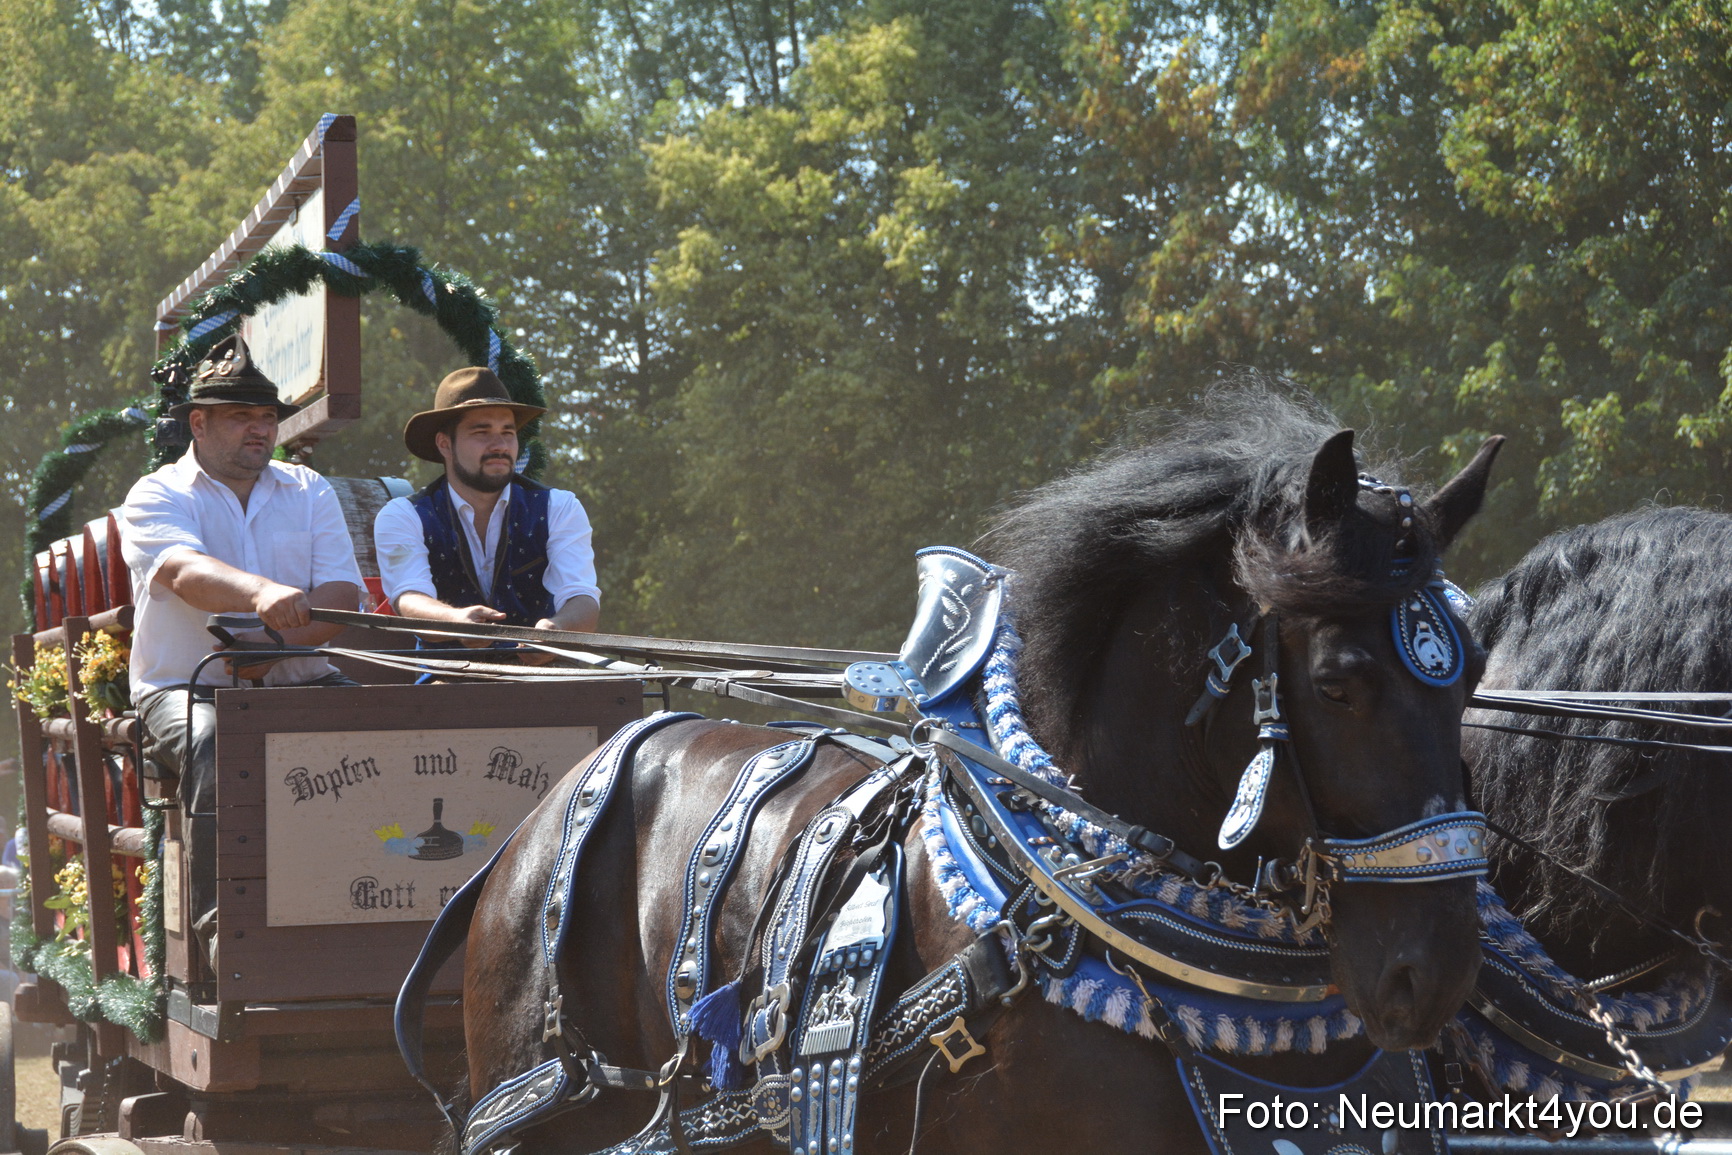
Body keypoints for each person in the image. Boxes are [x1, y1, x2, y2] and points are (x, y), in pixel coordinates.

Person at [120, 334, 365, 952]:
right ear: (197, 422)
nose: (259, 430)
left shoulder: (309, 490)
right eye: (240, 417)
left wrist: (274, 653)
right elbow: (183, 575)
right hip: (185, 688)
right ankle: (223, 935)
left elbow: (341, 594)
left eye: (266, 417)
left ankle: (374, 902)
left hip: (302, 679)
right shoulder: (158, 494)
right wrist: (261, 594)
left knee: (377, 730)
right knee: (214, 741)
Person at [372, 368, 600, 640]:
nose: (500, 445)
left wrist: (557, 630)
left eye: (508, 432)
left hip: (549, 674)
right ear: (445, 444)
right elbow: (409, 597)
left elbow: (582, 598)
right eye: (482, 432)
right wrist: (456, 620)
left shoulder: (559, 507)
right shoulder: (403, 516)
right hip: (449, 675)